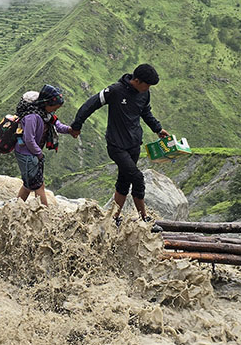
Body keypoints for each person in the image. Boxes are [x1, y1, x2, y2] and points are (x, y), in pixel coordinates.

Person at [69, 64, 170, 227]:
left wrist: (158, 129)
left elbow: (146, 112)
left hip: (134, 144)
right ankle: (144, 219)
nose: (148, 88)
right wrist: (76, 125)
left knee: (124, 181)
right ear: (136, 80)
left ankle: (114, 217)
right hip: (116, 145)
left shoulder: (145, 93)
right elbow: (90, 104)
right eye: (147, 85)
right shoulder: (115, 91)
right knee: (137, 178)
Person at [14, 85, 75, 206]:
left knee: (29, 185)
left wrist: (70, 130)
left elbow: (58, 125)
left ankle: (15, 207)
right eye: (54, 108)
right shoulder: (32, 116)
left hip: (32, 154)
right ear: (46, 103)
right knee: (38, 186)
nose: (54, 111)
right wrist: (39, 154)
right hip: (26, 155)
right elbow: (29, 139)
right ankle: (44, 213)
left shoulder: (46, 114)